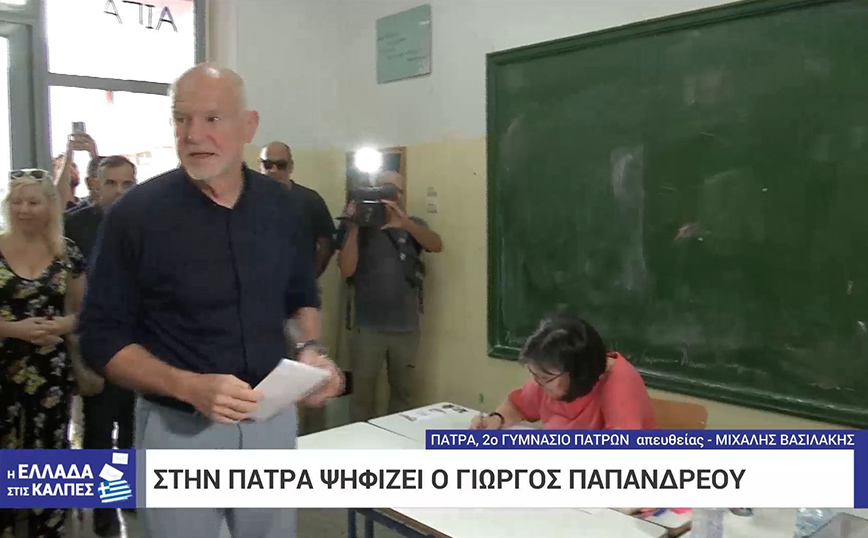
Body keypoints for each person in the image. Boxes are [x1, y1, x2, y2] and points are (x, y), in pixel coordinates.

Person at [79, 63, 344, 538]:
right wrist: (187, 386)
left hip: (271, 424)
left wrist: (311, 351)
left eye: (212, 119)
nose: (194, 135)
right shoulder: (135, 217)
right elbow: (100, 339)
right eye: (182, 119)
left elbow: (299, 295)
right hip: (178, 431)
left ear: (248, 126)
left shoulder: (283, 208)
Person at [0, 169, 86, 538]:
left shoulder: (67, 253)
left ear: (50, 206)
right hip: (3, 364)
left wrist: (63, 325)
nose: (24, 209)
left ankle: (48, 526)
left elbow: (85, 312)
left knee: (49, 449)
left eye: (33, 202)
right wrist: (12, 329)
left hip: (51, 369)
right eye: (17, 201)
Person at [64, 155, 137, 538]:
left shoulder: (145, 221)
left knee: (132, 427)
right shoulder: (75, 225)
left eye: (127, 184)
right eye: (112, 183)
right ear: (95, 184)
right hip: (96, 343)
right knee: (98, 429)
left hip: (139, 342)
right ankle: (103, 511)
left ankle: (126, 495)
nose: (120, 191)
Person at [336, 170, 442, 422]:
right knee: (362, 397)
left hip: (406, 328)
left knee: (403, 395)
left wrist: (406, 224)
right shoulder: (360, 226)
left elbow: (436, 245)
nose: (390, 197)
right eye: (384, 189)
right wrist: (354, 228)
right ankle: (361, 443)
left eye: (395, 191)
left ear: (403, 195)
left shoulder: (412, 223)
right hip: (368, 327)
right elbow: (346, 270)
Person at [471, 315, 656, 430]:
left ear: (577, 372)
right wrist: (497, 418)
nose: (539, 383)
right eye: (535, 375)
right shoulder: (549, 376)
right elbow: (518, 405)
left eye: (545, 378)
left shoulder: (620, 384)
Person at [259, 141, 335, 277]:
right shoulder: (246, 199)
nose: (273, 170)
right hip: (256, 283)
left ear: (291, 166)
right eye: (268, 164)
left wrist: (310, 278)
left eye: (281, 165)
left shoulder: (311, 200)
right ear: (260, 165)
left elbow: (326, 244)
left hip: (298, 283)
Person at [54, 132, 99, 211]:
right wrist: (68, 155)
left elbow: (102, 187)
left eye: (74, 166)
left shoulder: (84, 204)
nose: (71, 169)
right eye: (61, 167)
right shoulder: (51, 204)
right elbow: (58, 197)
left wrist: (93, 153)